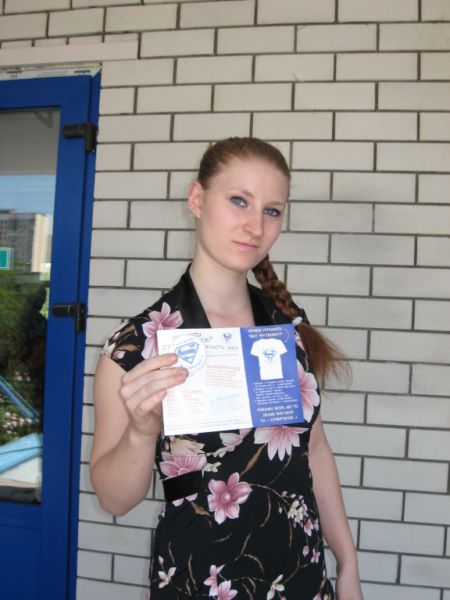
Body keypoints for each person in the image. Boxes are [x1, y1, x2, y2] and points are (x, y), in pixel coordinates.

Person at [91, 137, 362, 599]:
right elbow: (114, 499)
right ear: (197, 200)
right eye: (239, 200)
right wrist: (140, 433)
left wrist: (348, 563)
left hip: (299, 576)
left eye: (271, 211)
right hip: (201, 580)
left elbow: (314, 451)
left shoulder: (284, 331)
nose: (255, 226)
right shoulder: (137, 346)